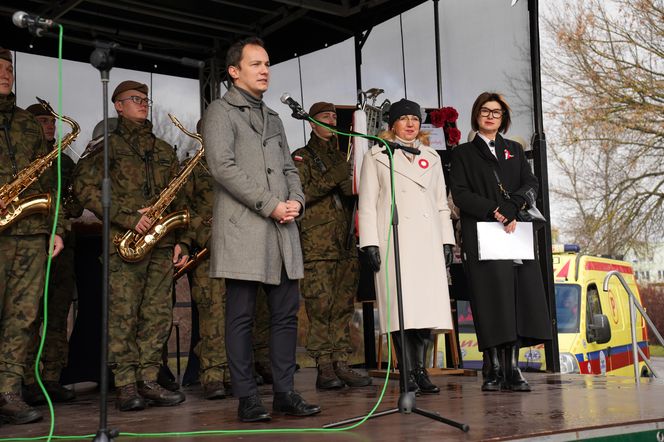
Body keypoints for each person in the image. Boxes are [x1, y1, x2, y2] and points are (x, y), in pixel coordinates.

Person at [202, 36, 320, 422]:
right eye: (256, 64)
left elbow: (289, 168)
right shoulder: (220, 112)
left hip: (283, 229)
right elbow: (222, 168)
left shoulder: (274, 117)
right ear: (234, 71)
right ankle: (247, 398)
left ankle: (285, 393)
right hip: (246, 229)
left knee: (286, 316)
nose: (265, 70)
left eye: (267, 63)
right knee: (241, 316)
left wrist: (297, 201)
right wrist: (271, 205)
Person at [73, 80, 188, 411]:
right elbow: (83, 187)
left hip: (162, 244)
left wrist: (181, 239)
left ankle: (149, 379)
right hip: (123, 243)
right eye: (135, 99)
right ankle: (125, 384)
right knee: (123, 315)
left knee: (157, 315)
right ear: (118, 105)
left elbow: (179, 199)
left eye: (145, 99)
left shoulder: (165, 150)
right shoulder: (105, 146)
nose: (143, 103)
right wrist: (124, 216)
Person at [450, 91, 551, 392]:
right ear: (477, 115)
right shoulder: (463, 153)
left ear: (503, 118)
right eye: (485, 111)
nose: (491, 116)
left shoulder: (514, 150)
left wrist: (512, 205)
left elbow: (530, 183)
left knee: (518, 297)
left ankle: (513, 367)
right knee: (491, 298)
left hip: (514, 231)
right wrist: (492, 210)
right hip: (483, 233)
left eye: (496, 112)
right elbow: (460, 193)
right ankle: (492, 366)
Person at [358, 98, 456, 395]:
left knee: (425, 309)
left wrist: (447, 240)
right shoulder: (377, 156)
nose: (411, 123)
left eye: (415, 118)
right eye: (404, 119)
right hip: (394, 243)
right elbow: (367, 204)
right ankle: (406, 371)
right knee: (402, 309)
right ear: (393, 125)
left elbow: (441, 203)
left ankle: (421, 370)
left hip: (427, 241)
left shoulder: (432, 157)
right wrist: (370, 243)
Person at [0, 47, 65, 424]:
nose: (6, 74)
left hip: (31, 232)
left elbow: (46, 181)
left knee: (23, 318)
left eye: (9, 69)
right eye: (0, 68)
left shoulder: (27, 124)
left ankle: (8, 391)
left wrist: (56, 227)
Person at [292, 102, 371, 390]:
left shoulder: (345, 156)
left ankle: (341, 361)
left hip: (346, 243)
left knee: (342, 306)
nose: (331, 121)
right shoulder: (302, 157)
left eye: (334, 117)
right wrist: (334, 178)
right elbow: (301, 194)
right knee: (320, 306)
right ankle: (323, 365)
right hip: (318, 245)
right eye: (325, 117)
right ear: (312, 123)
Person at [22, 102, 82, 405]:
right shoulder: (23, 156)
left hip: (62, 247)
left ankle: (51, 379)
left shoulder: (65, 162)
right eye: (43, 121)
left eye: (51, 121)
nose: (49, 126)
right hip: (29, 242)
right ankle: (24, 380)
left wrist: (67, 210)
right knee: (27, 315)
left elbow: (77, 200)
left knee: (57, 315)